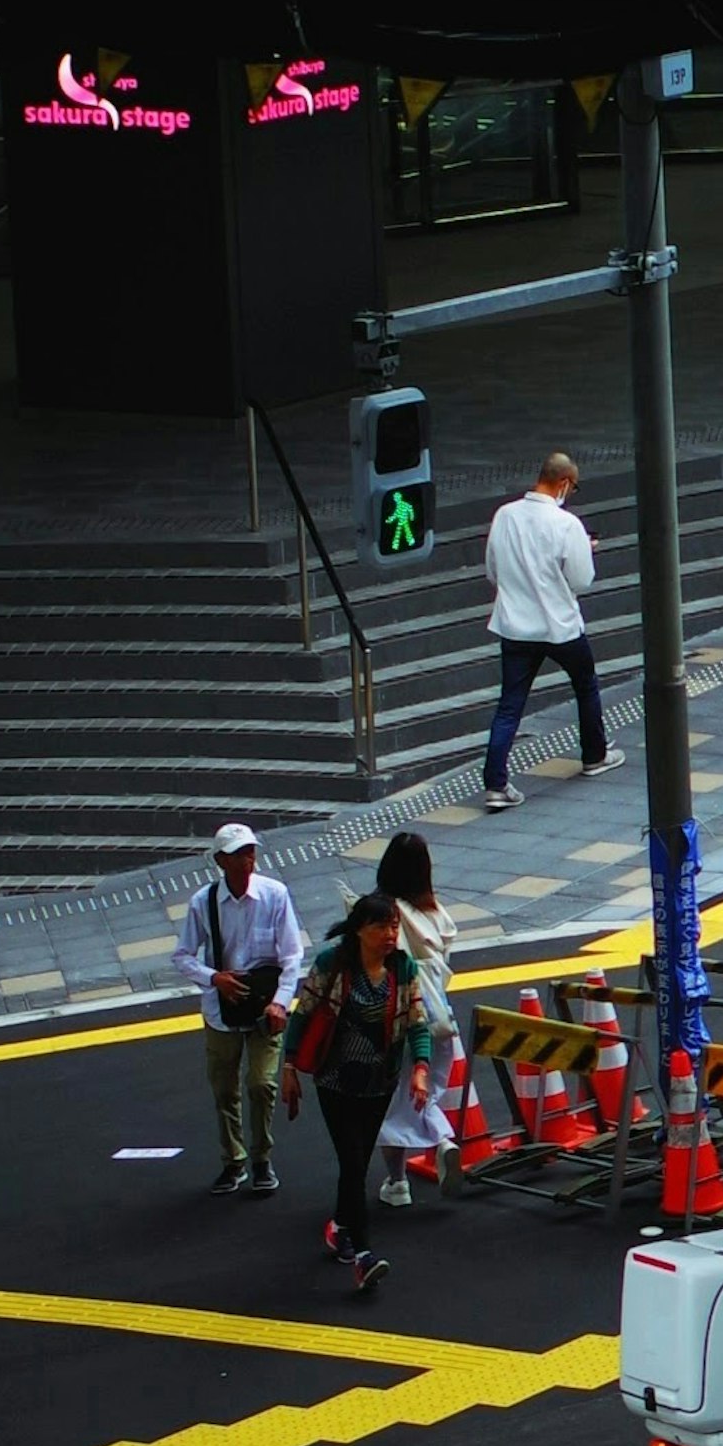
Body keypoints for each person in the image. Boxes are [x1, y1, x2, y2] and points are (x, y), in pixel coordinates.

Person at [278, 887, 427, 1296]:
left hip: (380, 1082)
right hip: (336, 1081)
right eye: (382, 926)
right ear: (361, 930)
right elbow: (303, 1015)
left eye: (394, 926)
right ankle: (363, 1255)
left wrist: (421, 1068)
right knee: (353, 1158)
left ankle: (340, 1227)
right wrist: (289, 1066)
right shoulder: (334, 964)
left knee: (356, 1166)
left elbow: (416, 1021)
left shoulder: (403, 968)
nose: (390, 934)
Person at [177, 823, 304, 1195]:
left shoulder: (275, 895)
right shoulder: (204, 903)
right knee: (224, 1089)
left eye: (250, 851)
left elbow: (292, 956)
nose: (247, 859)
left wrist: (281, 1002)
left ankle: (261, 1156)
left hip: (265, 1007)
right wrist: (214, 978)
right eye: (238, 853)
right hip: (222, 1009)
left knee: (261, 1084)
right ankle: (234, 1160)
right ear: (220, 861)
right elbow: (182, 955)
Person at [482, 449, 606, 807]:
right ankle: (594, 754)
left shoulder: (504, 516)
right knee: (585, 685)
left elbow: (493, 570)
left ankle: (496, 784)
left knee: (509, 704)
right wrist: (586, 549)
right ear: (565, 483)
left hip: (516, 627)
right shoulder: (567, 525)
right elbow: (581, 579)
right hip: (559, 626)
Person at [371, 826, 464, 1191]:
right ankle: (434, 1149)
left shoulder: (385, 915)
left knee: (390, 1103)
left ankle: (402, 1178)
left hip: (397, 1022)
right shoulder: (437, 914)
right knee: (421, 1094)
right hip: (439, 1020)